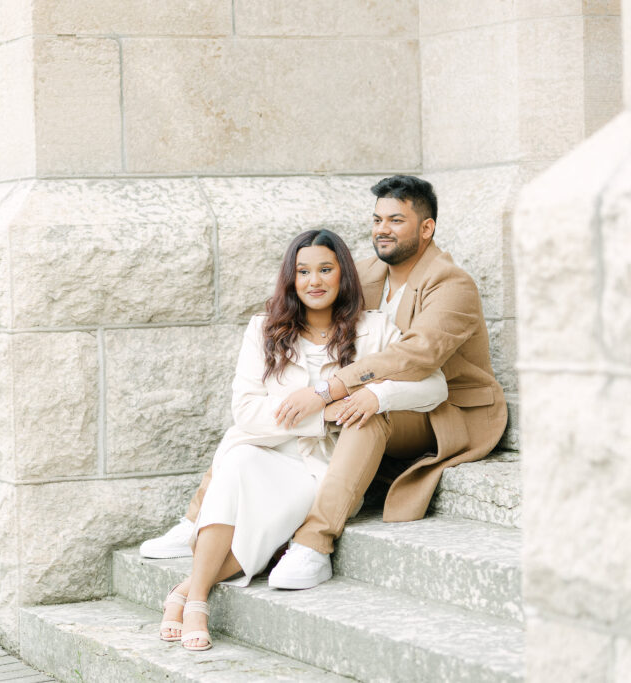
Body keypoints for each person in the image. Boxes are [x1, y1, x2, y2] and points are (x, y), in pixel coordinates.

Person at [143, 175, 508, 591]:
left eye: (396, 220)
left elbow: (416, 357)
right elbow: (323, 283)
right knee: (250, 428)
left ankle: (314, 543)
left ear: (426, 228)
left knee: (364, 414)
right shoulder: (369, 272)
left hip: (446, 411)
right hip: (386, 395)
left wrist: (332, 390)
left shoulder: (450, 282)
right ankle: (197, 519)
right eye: (376, 220)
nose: (382, 230)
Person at [160, 228, 448, 651]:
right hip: (267, 451)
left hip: (323, 468)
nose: (314, 281)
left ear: (342, 275)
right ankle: (198, 598)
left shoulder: (375, 330)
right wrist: (318, 417)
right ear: (291, 279)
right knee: (235, 467)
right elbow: (247, 412)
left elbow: (434, 386)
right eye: (303, 271)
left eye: (325, 269)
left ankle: (186, 592)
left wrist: (374, 395)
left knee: (267, 516)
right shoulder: (264, 330)